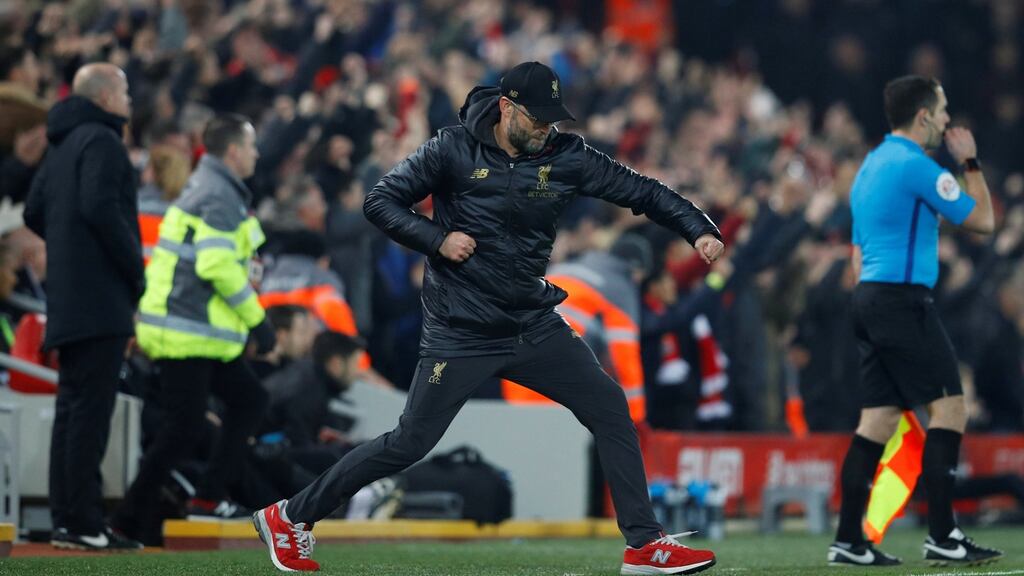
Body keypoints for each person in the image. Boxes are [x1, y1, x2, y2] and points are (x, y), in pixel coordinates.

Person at [254, 61, 724, 575]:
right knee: (410, 442)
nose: (546, 129)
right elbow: (380, 201)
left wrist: (698, 228)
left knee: (611, 406)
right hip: (462, 330)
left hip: (530, 323)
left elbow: (645, 191)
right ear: (506, 108)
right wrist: (437, 239)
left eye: (552, 119)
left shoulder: (568, 156)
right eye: (537, 118)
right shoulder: (451, 148)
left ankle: (644, 544)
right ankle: (289, 516)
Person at [827, 75, 1001, 567]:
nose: (947, 120)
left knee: (877, 421)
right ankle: (944, 535)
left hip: (869, 297)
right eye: (942, 111)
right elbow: (984, 220)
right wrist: (969, 161)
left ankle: (848, 539)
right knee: (951, 409)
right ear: (923, 116)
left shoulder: (870, 166)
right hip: (902, 301)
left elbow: (857, 253)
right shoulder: (916, 167)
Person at [113, 114, 276, 544]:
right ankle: (130, 517)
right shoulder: (217, 195)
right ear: (234, 151)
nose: (256, 154)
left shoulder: (213, 188)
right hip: (186, 331)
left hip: (195, 330)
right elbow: (216, 265)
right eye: (252, 146)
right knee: (185, 427)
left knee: (246, 401)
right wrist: (258, 322)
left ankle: (204, 498)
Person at [23, 63, 144, 551]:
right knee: (90, 415)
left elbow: (34, 211)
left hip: (66, 297)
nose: (130, 101)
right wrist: (133, 267)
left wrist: (66, 243)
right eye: (126, 90)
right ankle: (85, 522)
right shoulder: (103, 141)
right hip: (100, 299)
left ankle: (68, 520)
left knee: (71, 411)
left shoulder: (60, 145)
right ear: (106, 96)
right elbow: (99, 206)